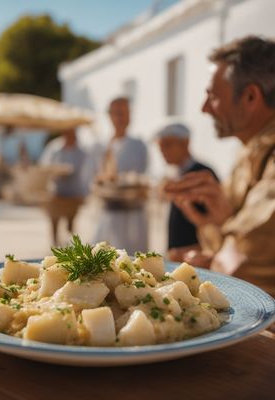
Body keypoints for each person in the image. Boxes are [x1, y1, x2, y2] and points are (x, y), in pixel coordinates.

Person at [164, 36, 275, 296]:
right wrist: (212, 226)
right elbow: (234, 251)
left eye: (212, 96)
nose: (204, 109)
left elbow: (243, 264)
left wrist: (210, 261)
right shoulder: (250, 151)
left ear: (250, 96)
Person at [90, 97, 148, 254]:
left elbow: (140, 175)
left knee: (134, 258)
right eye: (117, 113)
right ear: (110, 116)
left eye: (124, 113)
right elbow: (93, 176)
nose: (120, 118)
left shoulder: (138, 145)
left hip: (134, 213)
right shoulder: (100, 145)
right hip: (109, 211)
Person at [155, 122, 218, 260]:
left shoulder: (202, 174)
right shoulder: (173, 175)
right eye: (160, 145)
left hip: (197, 259)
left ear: (185, 143)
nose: (162, 150)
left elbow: (217, 222)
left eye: (167, 144)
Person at [40, 128, 88, 245]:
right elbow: (44, 166)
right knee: (54, 220)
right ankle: (55, 247)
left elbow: (87, 173)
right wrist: (55, 172)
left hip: (73, 193)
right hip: (56, 192)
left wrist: (84, 194)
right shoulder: (54, 148)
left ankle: (70, 247)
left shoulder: (82, 152)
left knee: (70, 224)